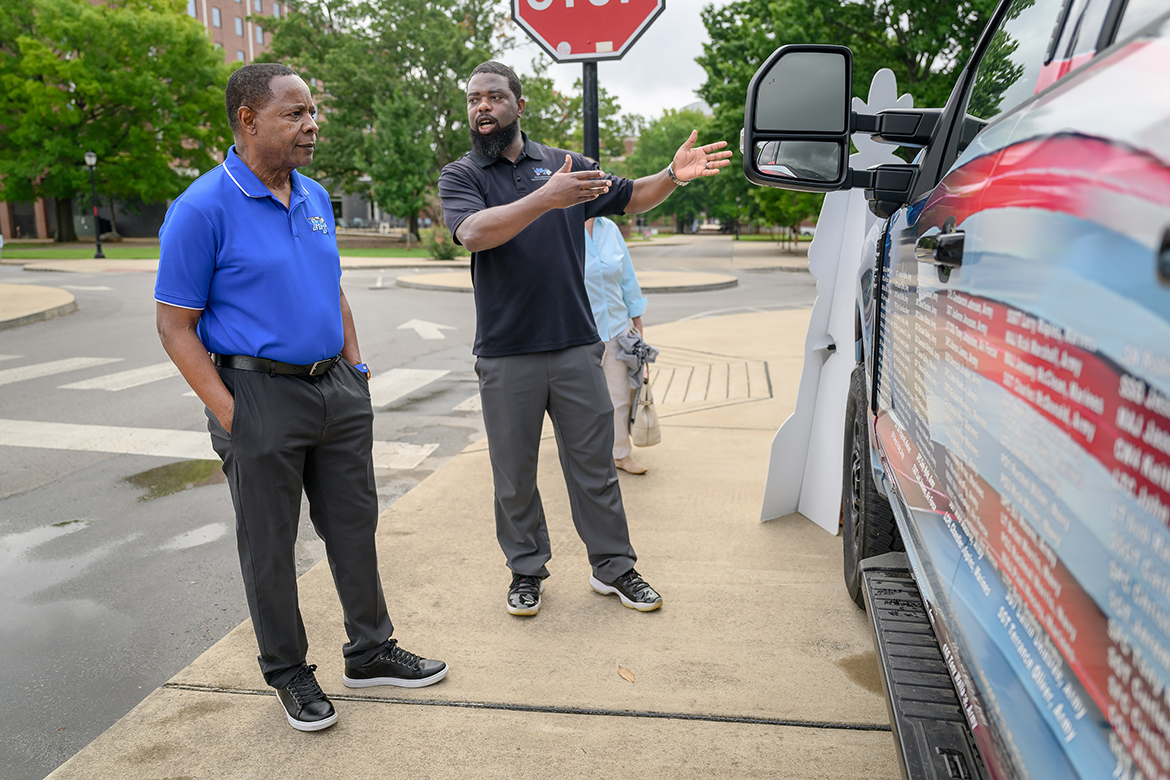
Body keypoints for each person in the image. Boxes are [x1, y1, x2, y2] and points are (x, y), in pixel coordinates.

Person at [154, 63, 446, 733]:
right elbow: (175, 327)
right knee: (270, 546)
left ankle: (370, 651)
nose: (311, 124)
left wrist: (356, 369)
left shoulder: (314, 196)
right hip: (257, 395)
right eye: (295, 113)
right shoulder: (201, 207)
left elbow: (331, 286)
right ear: (248, 120)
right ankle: (288, 672)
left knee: (354, 529)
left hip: (334, 392)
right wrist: (235, 415)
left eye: (313, 111)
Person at [437, 60, 730, 617]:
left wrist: (671, 175)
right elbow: (473, 233)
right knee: (514, 475)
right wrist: (548, 198)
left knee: (594, 468)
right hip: (505, 352)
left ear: (518, 106)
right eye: (474, 99)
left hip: (575, 346)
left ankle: (614, 568)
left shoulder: (565, 167)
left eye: (494, 97)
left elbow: (632, 196)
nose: (482, 108)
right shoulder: (463, 176)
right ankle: (526, 572)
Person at [584, 216, 649, 475]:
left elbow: (628, 278)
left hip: (617, 329)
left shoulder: (609, 228)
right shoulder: (560, 225)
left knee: (619, 396)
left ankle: (620, 454)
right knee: (581, 400)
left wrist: (636, 318)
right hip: (580, 333)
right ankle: (586, 455)